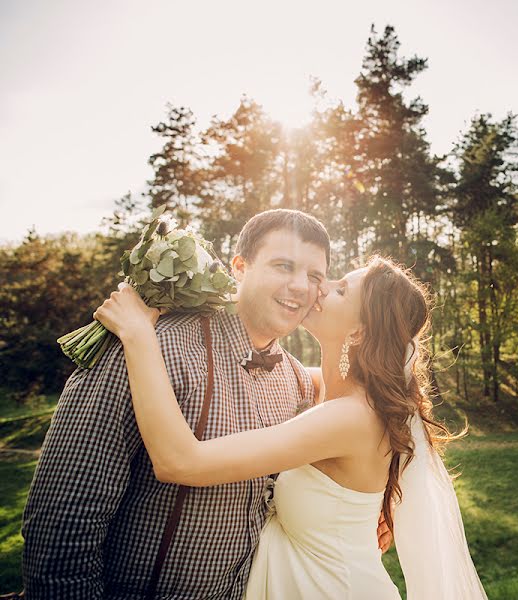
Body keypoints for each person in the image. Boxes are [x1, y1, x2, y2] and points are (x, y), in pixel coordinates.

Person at [20, 210, 395, 599]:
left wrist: (378, 501)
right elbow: (62, 525)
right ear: (239, 267)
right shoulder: (144, 349)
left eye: (315, 276)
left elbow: (380, 414)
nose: (300, 286)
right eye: (283, 266)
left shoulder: (297, 381)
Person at [94, 255, 487, 599]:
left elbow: (180, 462)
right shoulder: (337, 393)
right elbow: (269, 371)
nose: (319, 287)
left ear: (358, 332)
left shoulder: (348, 418)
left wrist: (139, 335)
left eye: (339, 290)